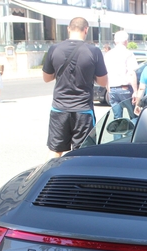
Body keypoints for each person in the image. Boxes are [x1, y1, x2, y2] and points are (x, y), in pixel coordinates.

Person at [42, 17, 108, 159]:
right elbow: (103, 82)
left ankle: (51, 179)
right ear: (86, 30)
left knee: (55, 151)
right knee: (83, 153)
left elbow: (46, 78)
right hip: (83, 110)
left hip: (59, 108)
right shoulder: (94, 51)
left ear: (68, 28)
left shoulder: (54, 49)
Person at [104, 30, 138, 119]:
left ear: (115, 41)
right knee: (133, 116)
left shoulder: (108, 54)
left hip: (112, 89)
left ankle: (117, 133)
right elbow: (131, 73)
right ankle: (132, 133)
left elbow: (105, 73)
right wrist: (135, 91)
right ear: (126, 41)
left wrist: (108, 89)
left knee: (117, 119)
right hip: (125, 88)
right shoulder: (128, 53)